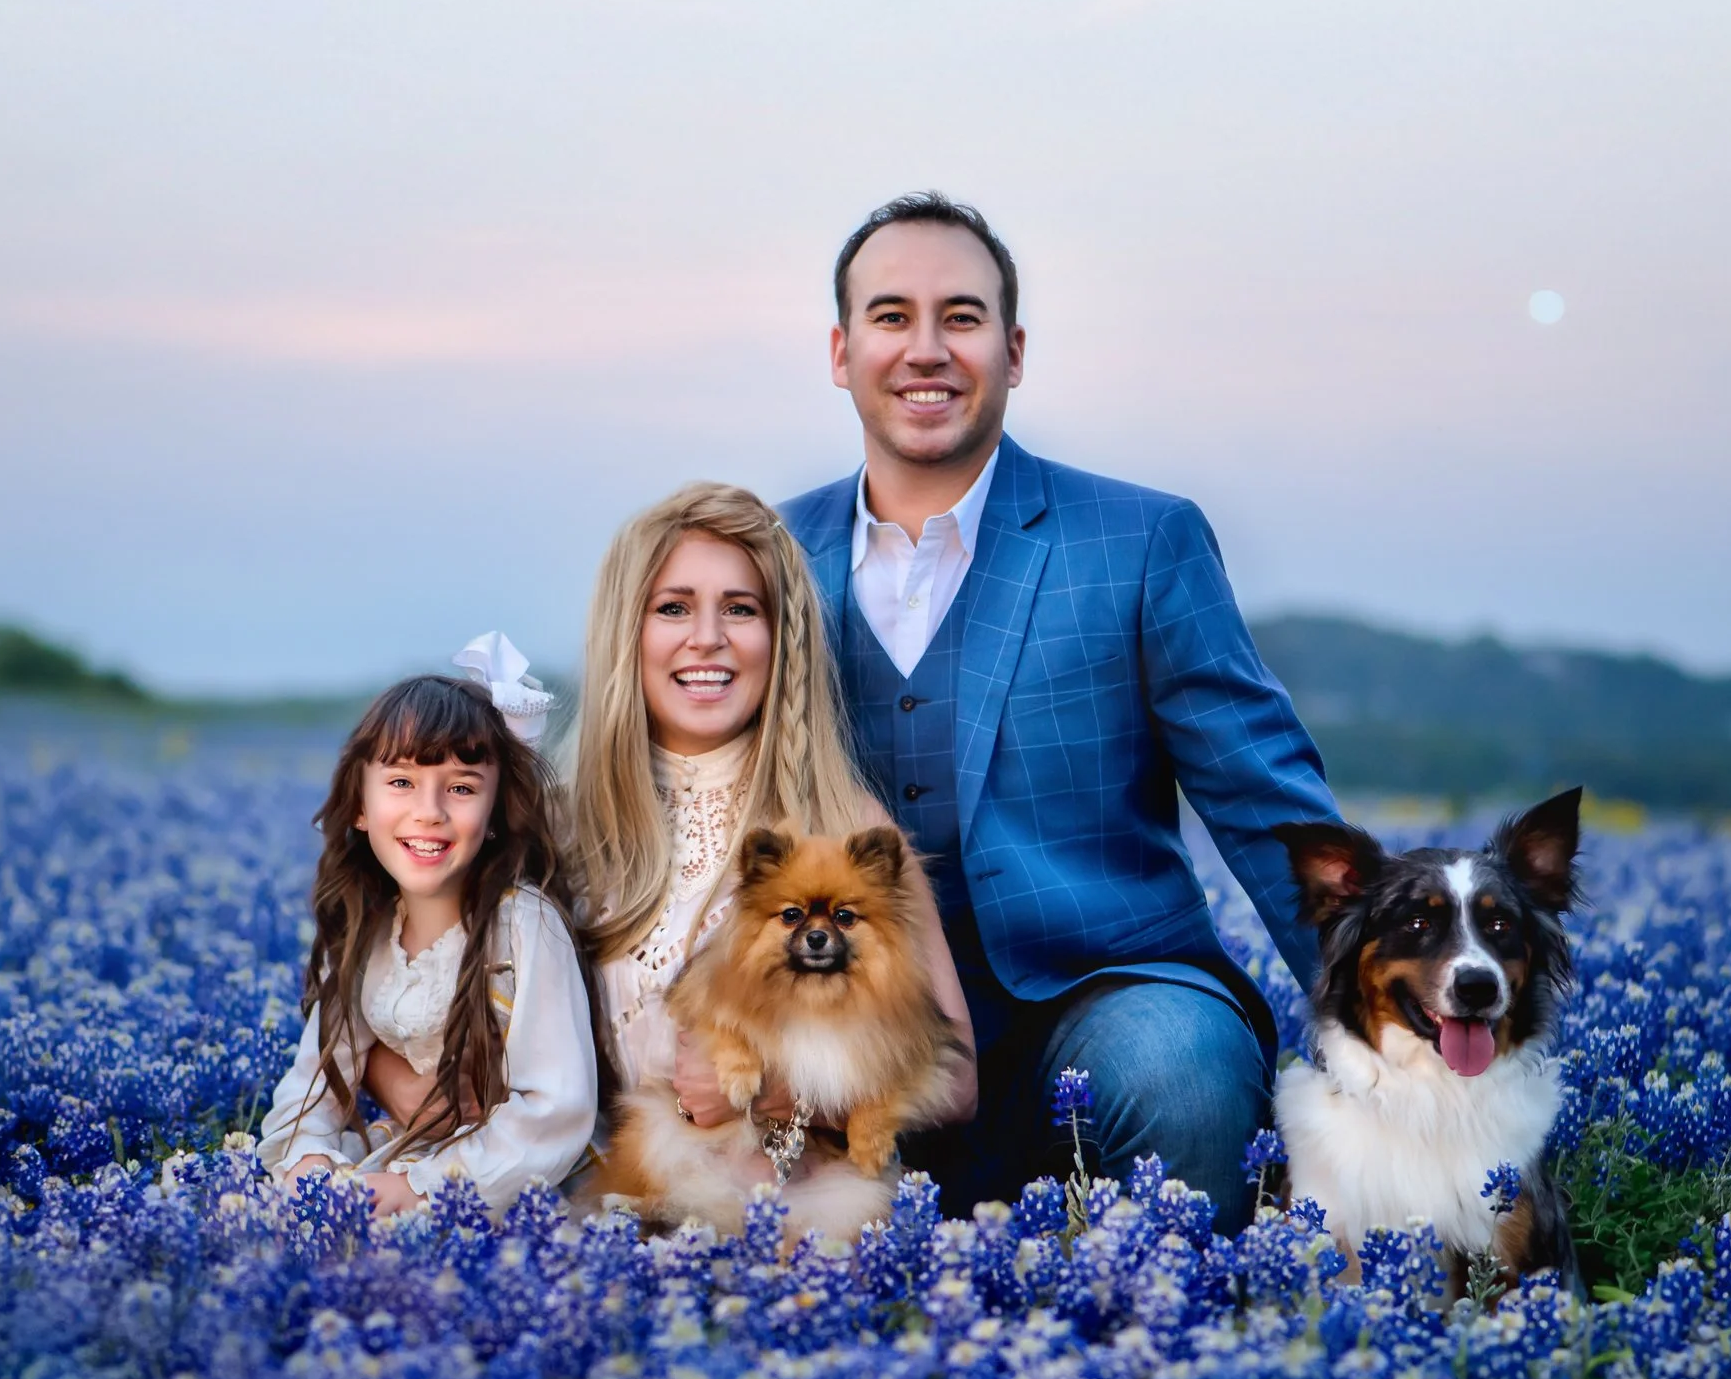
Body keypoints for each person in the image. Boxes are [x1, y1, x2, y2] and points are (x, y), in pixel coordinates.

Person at [779, 191, 1342, 1224]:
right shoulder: (768, 551)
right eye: (891, 316)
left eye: (961, 316)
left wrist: (1385, 1016)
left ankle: (1163, 1349)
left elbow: (1266, 799)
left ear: (1014, 347)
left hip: (1102, 992)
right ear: (839, 348)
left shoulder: (1138, 539)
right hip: (840, 1007)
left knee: (1180, 1073)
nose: (926, 349)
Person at [567, 482, 976, 1165]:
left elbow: (958, 1081)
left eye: (740, 609)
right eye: (672, 608)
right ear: (626, 632)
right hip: (618, 1214)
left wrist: (773, 1091)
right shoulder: (563, 827)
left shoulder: (847, 825)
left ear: (780, 636)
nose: (708, 639)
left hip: (809, 1223)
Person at [256, 665, 599, 1215]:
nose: (430, 811)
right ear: (361, 807)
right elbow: (312, 1086)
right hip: (403, 1163)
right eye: (401, 782)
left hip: (508, 1187)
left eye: (462, 788)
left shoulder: (525, 926)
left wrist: (420, 1188)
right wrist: (308, 1166)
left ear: (494, 813)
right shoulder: (366, 926)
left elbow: (556, 1108)